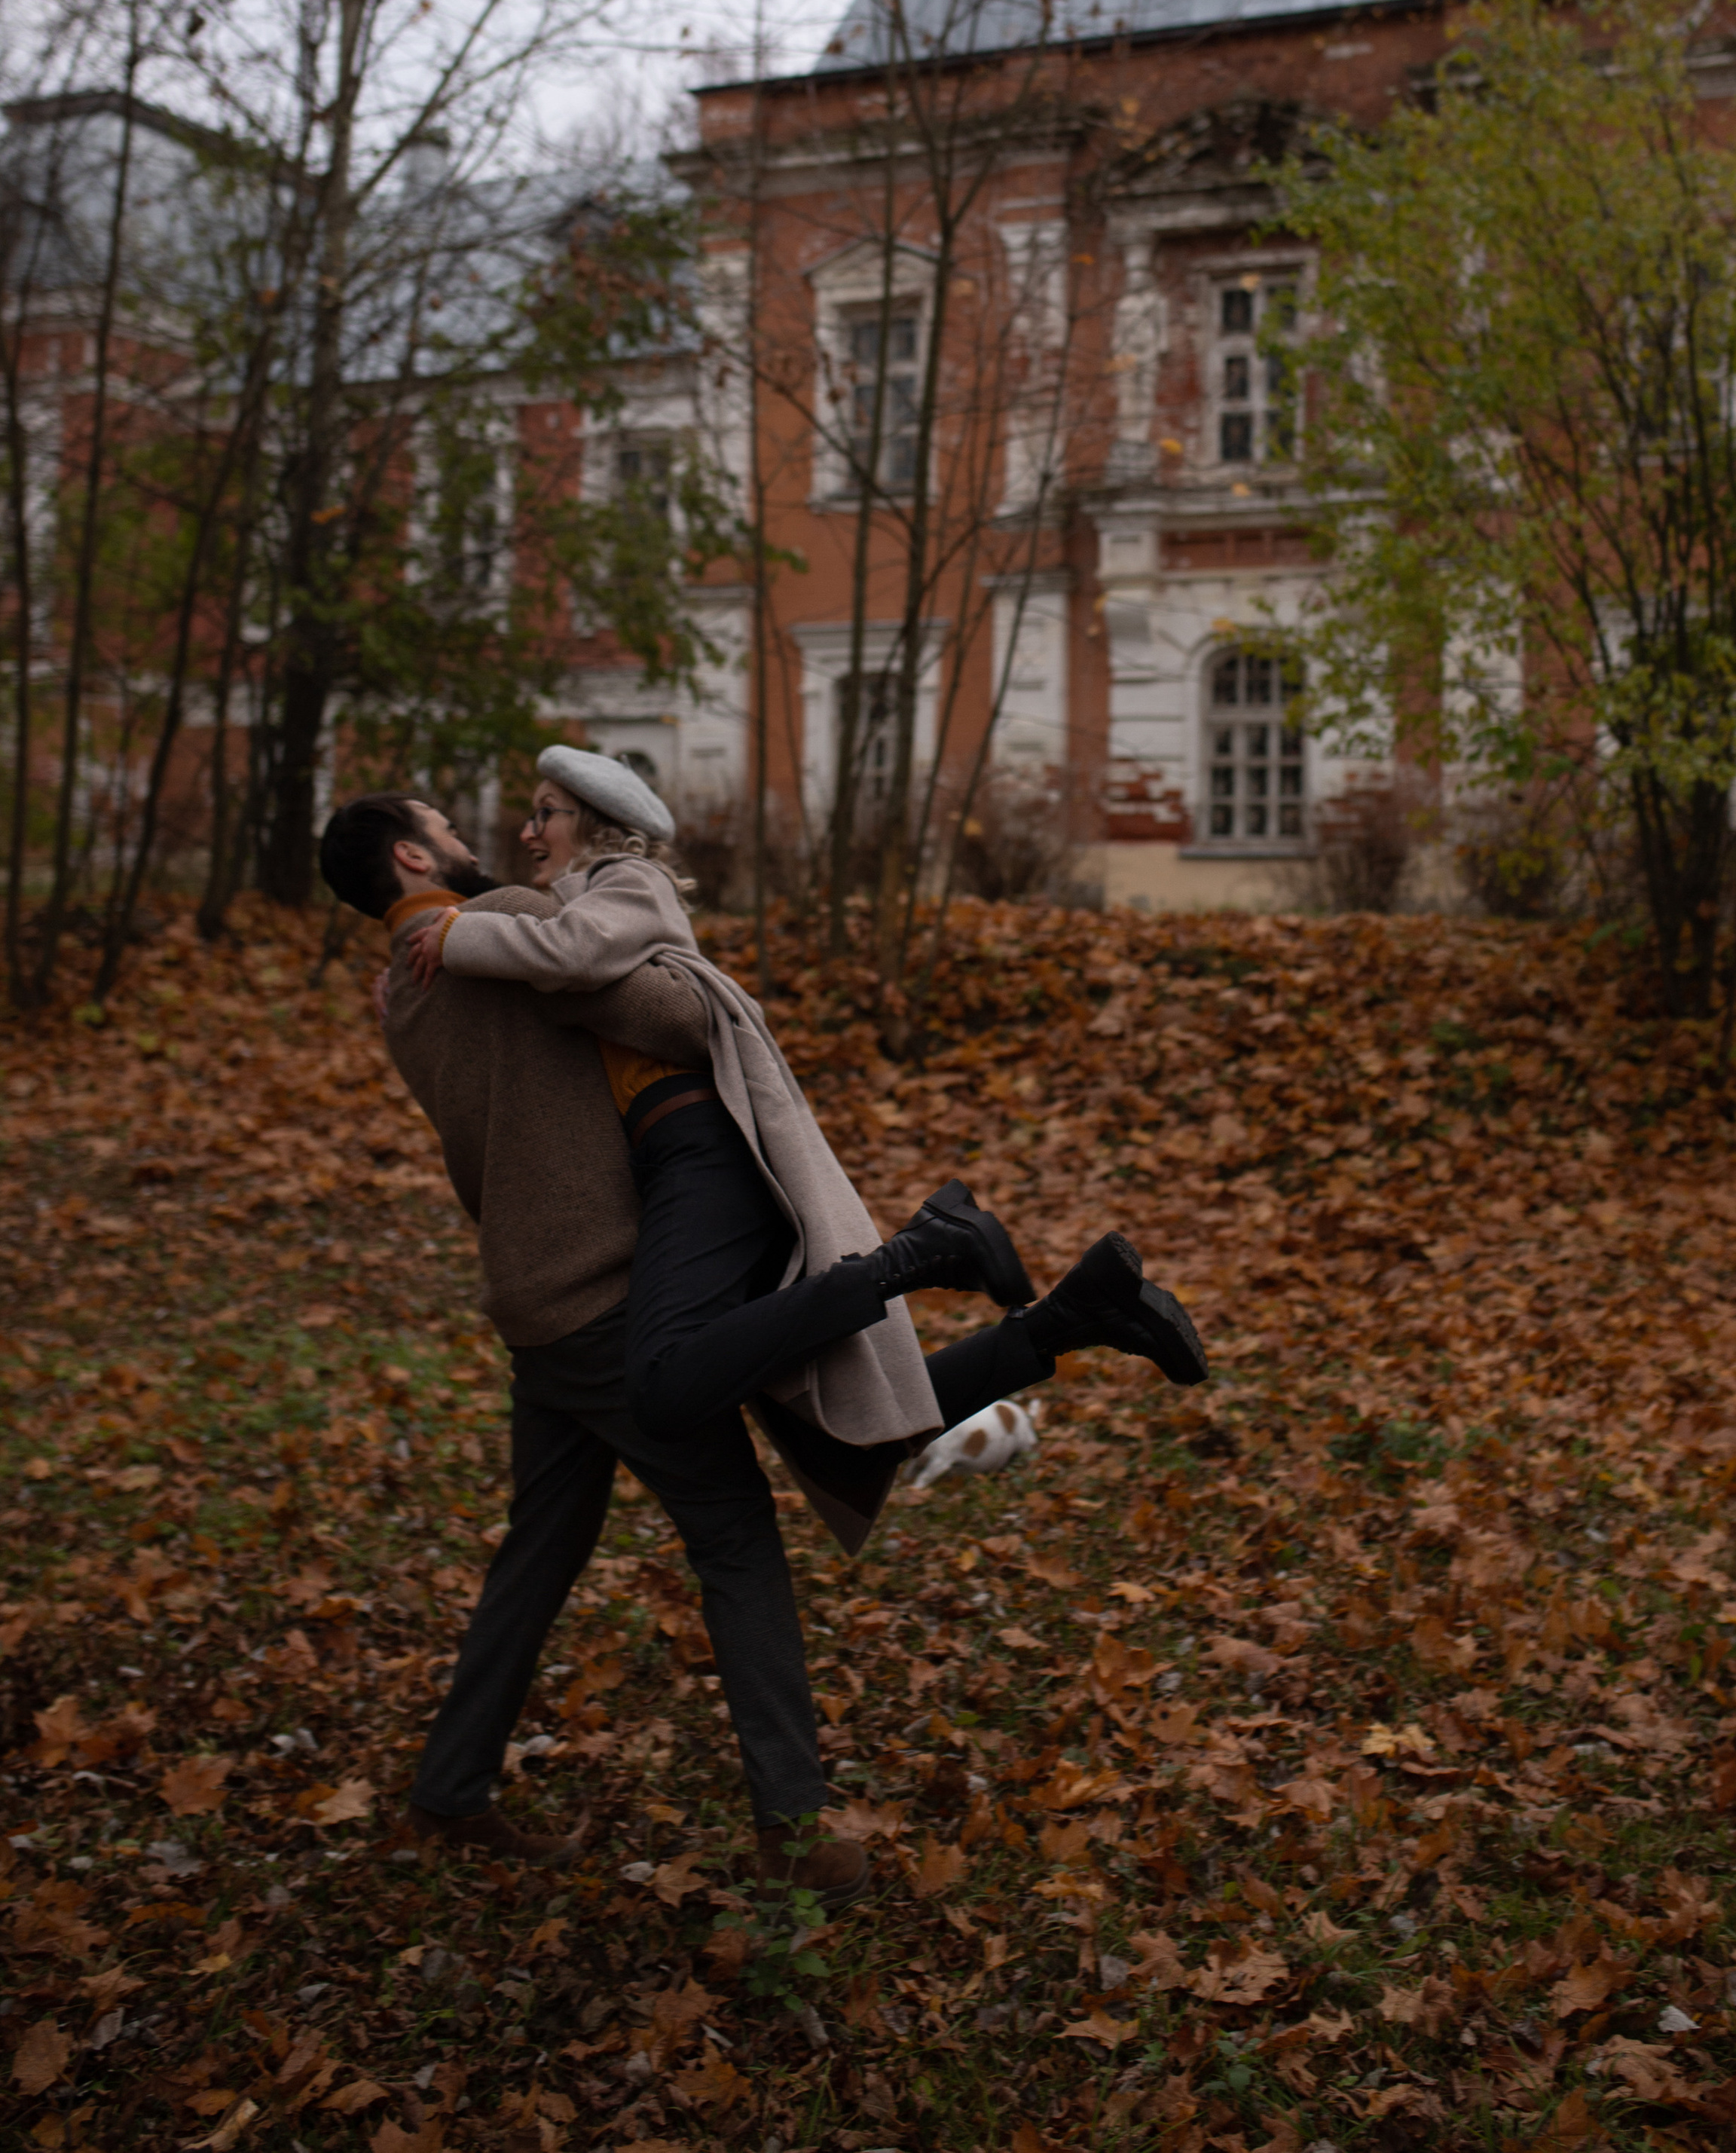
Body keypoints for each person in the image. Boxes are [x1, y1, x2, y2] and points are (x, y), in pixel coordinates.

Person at [316, 775, 1206, 1906]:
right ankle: (794, 1823)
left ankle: (449, 1789)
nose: (479, 839)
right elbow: (680, 1019)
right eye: (445, 831)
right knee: (749, 1530)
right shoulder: (506, 928)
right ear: (408, 859)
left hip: (535, 1304)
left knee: (549, 1545)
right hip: (609, 1293)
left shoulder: (404, 989)